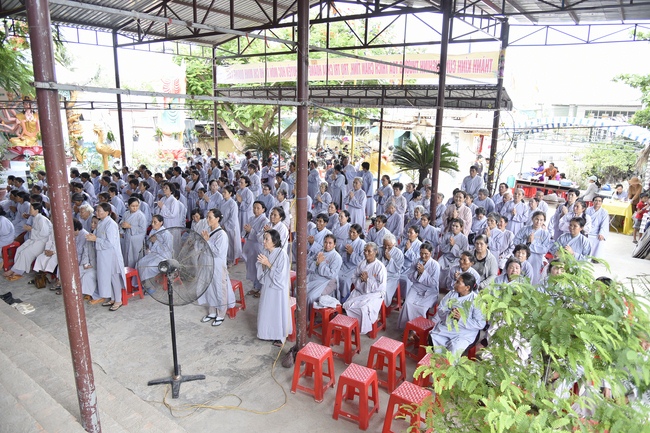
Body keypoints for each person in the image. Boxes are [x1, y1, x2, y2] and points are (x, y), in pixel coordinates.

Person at [429, 272, 486, 355]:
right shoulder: (452, 294)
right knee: (434, 336)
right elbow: (441, 308)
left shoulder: (476, 301)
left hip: (465, 332)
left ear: (467, 287)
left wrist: (461, 319)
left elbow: (481, 324)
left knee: (454, 348)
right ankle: (438, 360)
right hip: (448, 327)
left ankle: (448, 363)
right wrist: (449, 313)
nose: (454, 284)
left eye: (458, 282)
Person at [198, 208, 235, 327]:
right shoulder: (209, 231)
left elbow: (218, 252)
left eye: (210, 217)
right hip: (208, 265)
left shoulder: (222, 235)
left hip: (218, 267)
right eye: (207, 217)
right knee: (209, 288)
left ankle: (221, 314)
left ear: (217, 219)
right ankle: (212, 312)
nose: (207, 219)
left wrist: (207, 241)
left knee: (219, 289)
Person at [86, 202, 126, 311]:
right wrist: (93, 237)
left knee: (114, 277)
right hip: (103, 255)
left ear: (107, 212)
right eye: (97, 210)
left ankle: (118, 300)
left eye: (99, 211)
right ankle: (112, 298)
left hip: (111, 255)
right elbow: (98, 237)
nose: (97, 213)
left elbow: (110, 243)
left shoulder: (111, 224)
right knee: (108, 277)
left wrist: (96, 239)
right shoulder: (101, 222)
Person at [256, 229, 292, 347]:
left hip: (277, 289)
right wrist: (262, 265)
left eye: (267, 239)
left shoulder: (282, 255)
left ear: (274, 241)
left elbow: (281, 276)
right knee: (266, 309)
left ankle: (279, 336)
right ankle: (266, 333)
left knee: (277, 311)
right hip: (267, 286)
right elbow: (261, 269)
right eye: (264, 239)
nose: (264, 242)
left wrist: (267, 264)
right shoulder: (266, 252)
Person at [344, 242, 387, 334]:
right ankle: (353, 326)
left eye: (369, 251)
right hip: (360, 290)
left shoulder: (380, 266)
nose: (366, 253)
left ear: (375, 252)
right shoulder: (361, 264)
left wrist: (367, 280)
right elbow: (353, 277)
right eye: (365, 251)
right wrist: (361, 280)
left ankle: (361, 328)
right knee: (348, 305)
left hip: (374, 294)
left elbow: (381, 286)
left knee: (363, 308)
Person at [397, 242, 440, 329]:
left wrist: (423, 272)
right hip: (416, 287)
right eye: (421, 253)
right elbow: (410, 276)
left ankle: (418, 329)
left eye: (426, 254)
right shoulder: (416, 261)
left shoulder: (435, 265)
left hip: (430, 291)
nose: (423, 256)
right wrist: (418, 273)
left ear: (431, 253)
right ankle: (408, 327)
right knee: (407, 303)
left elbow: (433, 282)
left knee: (422, 308)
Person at [4, 203, 52, 280]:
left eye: (31, 209)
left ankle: (17, 271)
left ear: (36, 210)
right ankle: (16, 269)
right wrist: (30, 229)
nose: (29, 210)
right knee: (19, 249)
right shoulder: (35, 218)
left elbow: (44, 234)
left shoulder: (42, 219)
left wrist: (31, 230)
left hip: (42, 242)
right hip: (34, 239)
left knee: (25, 253)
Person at [513, 211, 552, 285]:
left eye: (541, 220)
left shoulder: (545, 234)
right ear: (532, 218)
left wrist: (532, 243)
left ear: (544, 221)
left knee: (534, 277)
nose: (538, 222)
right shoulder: (524, 229)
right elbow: (515, 241)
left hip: (536, 259)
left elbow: (544, 249)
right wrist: (526, 241)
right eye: (536, 219)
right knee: (519, 274)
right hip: (522, 257)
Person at [306, 234, 342, 305]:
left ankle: (308, 312)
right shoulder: (320, 251)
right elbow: (309, 261)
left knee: (311, 297)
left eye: (330, 243)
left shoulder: (336, 257)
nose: (327, 245)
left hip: (326, 281)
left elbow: (332, 274)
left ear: (334, 245)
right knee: (298, 290)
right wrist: (316, 263)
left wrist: (321, 263)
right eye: (325, 242)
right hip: (315, 277)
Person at [243, 201, 270, 297]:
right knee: (252, 267)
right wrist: (247, 231)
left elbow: (262, 236)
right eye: (254, 208)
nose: (255, 210)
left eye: (258, 208)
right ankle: (255, 286)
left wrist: (251, 231)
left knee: (259, 268)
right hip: (250, 245)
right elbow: (246, 232)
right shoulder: (251, 218)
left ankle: (261, 289)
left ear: (263, 209)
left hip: (258, 246)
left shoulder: (265, 221)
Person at [136, 215, 173, 281]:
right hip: (154, 254)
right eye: (152, 222)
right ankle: (139, 283)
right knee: (140, 263)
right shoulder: (153, 231)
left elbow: (167, 249)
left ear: (161, 222)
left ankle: (147, 284)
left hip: (163, 256)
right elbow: (150, 244)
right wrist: (151, 243)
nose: (152, 224)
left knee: (148, 267)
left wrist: (155, 242)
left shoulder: (166, 234)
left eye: (155, 222)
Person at [338, 223, 367, 302]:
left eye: (354, 232)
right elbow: (340, 253)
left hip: (355, 268)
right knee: (335, 277)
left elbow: (361, 261)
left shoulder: (362, 244)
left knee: (345, 281)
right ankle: (336, 297)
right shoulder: (346, 240)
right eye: (350, 231)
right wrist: (345, 253)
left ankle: (344, 300)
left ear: (359, 233)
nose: (351, 234)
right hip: (344, 265)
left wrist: (351, 253)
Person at [120, 197, 147, 268]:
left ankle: (135, 271)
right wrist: (123, 225)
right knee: (126, 255)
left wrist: (130, 226)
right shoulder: (126, 214)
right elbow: (122, 222)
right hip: (127, 237)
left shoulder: (141, 216)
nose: (135, 208)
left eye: (136, 206)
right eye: (132, 206)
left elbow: (143, 229)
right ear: (128, 206)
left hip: (136, 240)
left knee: (135, 257)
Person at [220, 185, 242, 266]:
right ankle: (225, 258)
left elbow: (233, 218)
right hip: (222, 225)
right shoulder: (222, 202)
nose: (223, 194)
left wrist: (225, 225)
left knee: (231, 244)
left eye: (225, 192)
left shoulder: (233, 204)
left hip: (231, 227)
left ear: (230, 193)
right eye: (223, 192)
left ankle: (231, 260)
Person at [380, 233, 404, 307]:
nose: (386, 247)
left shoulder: (399, 253)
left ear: (394, 244)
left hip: (392, 276)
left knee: (385, 290)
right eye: (384, 245)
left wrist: (390, 259)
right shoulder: (379, 249)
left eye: (389, 246)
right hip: (379, 275)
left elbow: (397, 268)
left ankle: (384, 307)